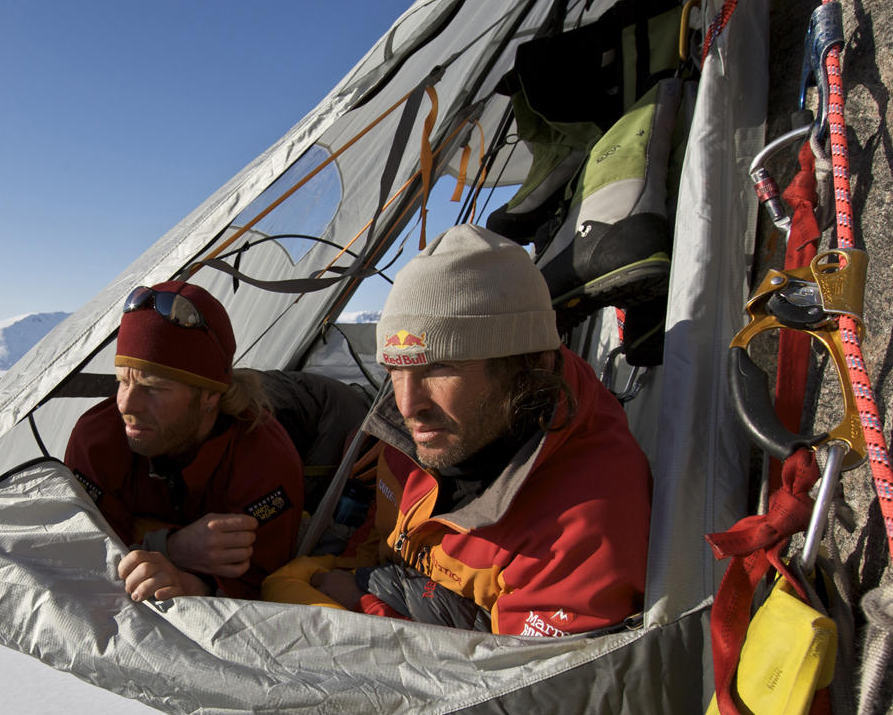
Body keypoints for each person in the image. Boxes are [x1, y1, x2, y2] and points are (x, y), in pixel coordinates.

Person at [263, 224, 650, 637]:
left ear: (529, 366)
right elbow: (377, 542)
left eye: (440, 367)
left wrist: (365, 602)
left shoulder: (582, 529)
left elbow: (518, 690)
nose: (409, 407)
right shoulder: (413, 432)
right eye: (394, 369)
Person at [64, 281, 304, 602]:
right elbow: (89, 561)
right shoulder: (98, 439)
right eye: (123, 381)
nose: (125, 406)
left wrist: (191, 584)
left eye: (153, 387)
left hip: (319, 410)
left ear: (208, 395)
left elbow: (258, 591)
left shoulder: (264, 460)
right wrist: (172, 549)